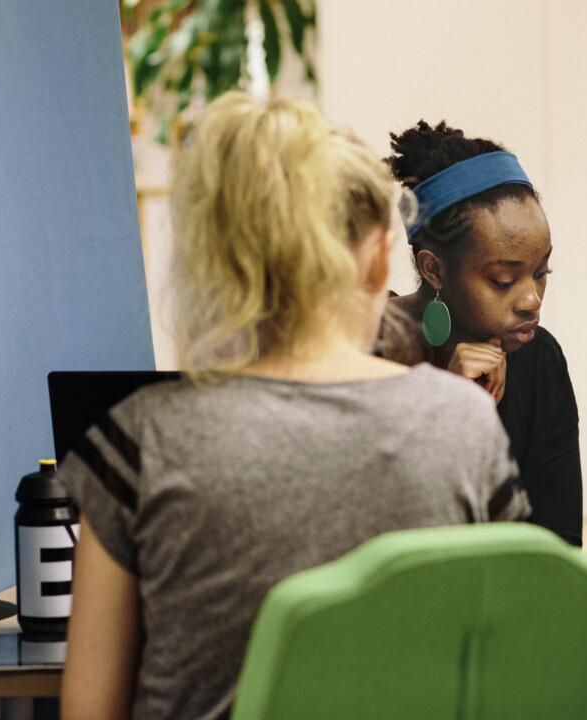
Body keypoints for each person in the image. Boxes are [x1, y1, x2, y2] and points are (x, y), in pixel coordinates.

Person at [58, 93, 530, 720]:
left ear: (213, 263)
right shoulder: (464, 425)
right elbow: (511, 665)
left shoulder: (137, 443)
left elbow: (89, 709)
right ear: (378, 261)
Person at [379, 121, 582, 546]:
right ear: (434, 270)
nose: (532, 300)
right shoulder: (365, 351)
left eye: (542, 272)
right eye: (503, 280)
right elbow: (364, 532)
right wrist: (450, 412)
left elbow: (557, 548)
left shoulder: (538, 360)